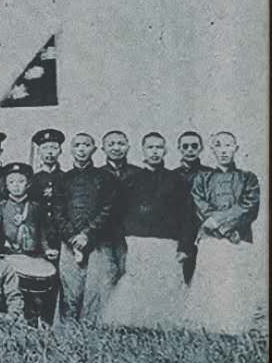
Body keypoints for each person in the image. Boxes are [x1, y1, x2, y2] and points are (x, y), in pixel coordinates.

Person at [102, 132, 192, 329]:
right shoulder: (131, 180)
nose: (154, 152)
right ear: (142, 150)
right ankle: (137, 325)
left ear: (165, 150)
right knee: (138, 282)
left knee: (166, 283)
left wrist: (184, 246)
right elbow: (117, 214)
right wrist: (125, 238)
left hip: (168, 242)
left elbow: (187, 216)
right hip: (138, 241)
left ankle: (164, 326)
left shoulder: (177, 180)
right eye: (150, 147)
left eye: (158, 147)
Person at [184, 131, 263, 334]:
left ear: (236, 148)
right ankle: (209, 329)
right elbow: (200, 204)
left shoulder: (248, 178)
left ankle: (235, 329)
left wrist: (224, 226)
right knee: (211, 283)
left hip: (239, 239)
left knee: (234, 284)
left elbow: (249, 206)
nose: (223, 150)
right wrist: (220, 227)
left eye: (228, 145)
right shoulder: (203, 179)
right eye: (218, 145)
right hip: (211, 240)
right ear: (212, 150)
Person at [52, 132, 122, 324]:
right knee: (70, 292)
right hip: (69, 244)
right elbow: (57, 212)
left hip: (98, 243)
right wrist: (72, 237)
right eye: (77, 145)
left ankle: (93, 334)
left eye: (86, 145)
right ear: (71, 149)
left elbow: (109, 209)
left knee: (96, 292)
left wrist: (87, 234)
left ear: (94, 148)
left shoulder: (105, 178)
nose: (82, 149)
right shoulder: (63, 179)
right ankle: (68, 334)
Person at [0, 162, 55, 324]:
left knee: (35, 296)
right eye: (12, 182)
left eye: (20, 181)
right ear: (6, 185)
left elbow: (42, 233)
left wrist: (47, 249)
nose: (16, 186)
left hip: (33, 256)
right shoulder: (2, 207)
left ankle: (35, 321)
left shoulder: (35, 207)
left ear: (28, 184)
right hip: (10, 255)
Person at [174, 130, 211, 284]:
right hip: (178, 236)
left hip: (204, 233)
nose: (190, 150)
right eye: (186, 146)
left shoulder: (210, 174)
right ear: (179, 149)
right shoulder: (172, 176)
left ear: (200, 148)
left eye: (194, 146)